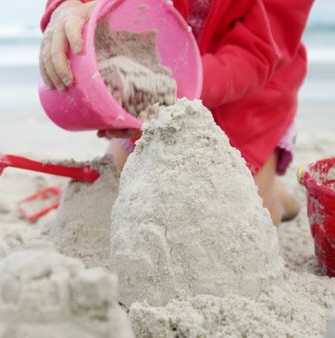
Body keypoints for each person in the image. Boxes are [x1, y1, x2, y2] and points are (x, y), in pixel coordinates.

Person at [38, 0, 314, 225]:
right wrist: (69, 6)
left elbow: (255, 52)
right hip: (160, 65)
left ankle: (276, 196)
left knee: (248, 216)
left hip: (248, 99)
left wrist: (165, 89)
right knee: (114, 191)